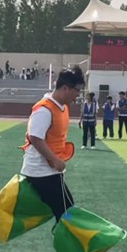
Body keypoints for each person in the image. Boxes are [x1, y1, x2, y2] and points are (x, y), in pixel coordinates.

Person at [20, 66, 85, 222]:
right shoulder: (44, 110)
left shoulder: (61, 107)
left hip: (50, 171)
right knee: (66, 215)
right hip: (41, 172)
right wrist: (55, 160)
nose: (78, 95)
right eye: (77, 90)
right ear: (65, 88)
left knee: (65, 213)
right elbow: (35, 138)